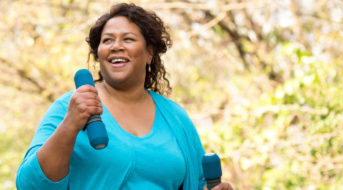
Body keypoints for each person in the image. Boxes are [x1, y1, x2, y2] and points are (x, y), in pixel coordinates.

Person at [16, 3, 233, 190]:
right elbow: (29, 183)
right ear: (98, 54)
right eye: (107, 40)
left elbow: (197, 182)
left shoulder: (175, 116)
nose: (116, 46)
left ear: (149, 53)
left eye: (128, 39)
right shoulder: (69, 107)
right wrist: (70, 125)